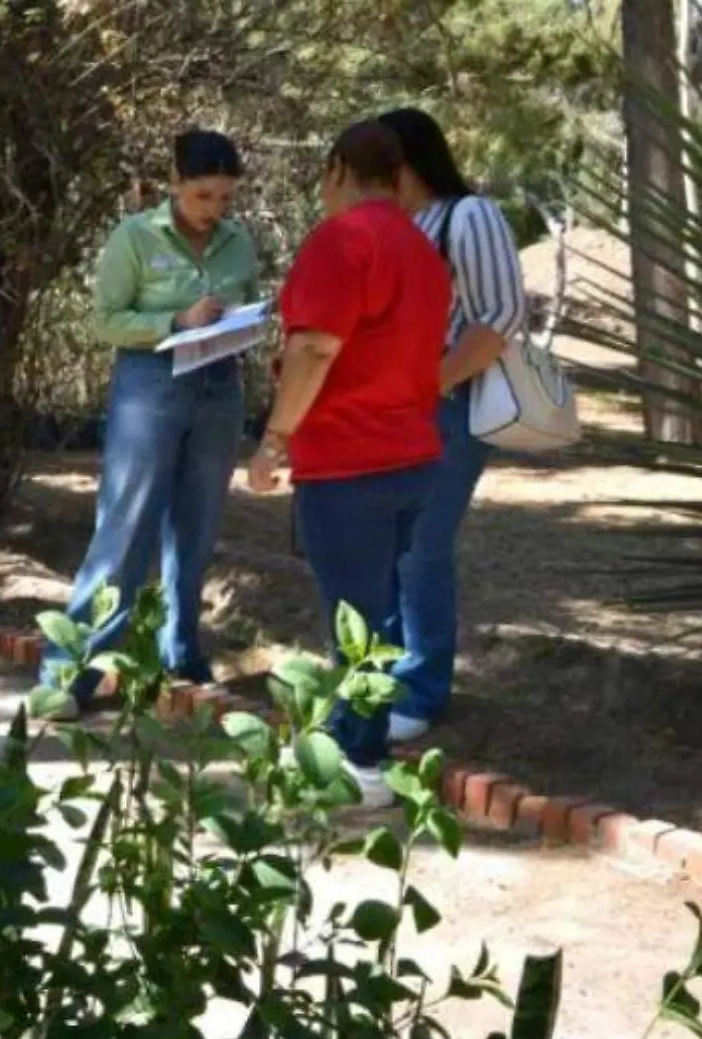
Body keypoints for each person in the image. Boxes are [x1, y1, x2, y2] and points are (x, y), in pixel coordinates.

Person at [245, 121, 453, 808]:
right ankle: (360, 745)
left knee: (355, 621)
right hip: (411, 452)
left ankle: (359, 764)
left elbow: (314, 350)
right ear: (398, 174)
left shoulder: (343, 240)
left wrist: (276, 439)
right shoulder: (422, 250)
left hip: (349, 458)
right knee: (379, 613)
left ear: (337, 169)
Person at [40, 130, 260, 709]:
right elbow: (107, 321)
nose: (214, 210)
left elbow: (247, 302)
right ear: (174, 183)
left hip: (220, 387)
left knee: (197, 528)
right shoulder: (134, 236)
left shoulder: (238, 241)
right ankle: (72, 671)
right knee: (127, 526)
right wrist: (175, 319)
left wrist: (244, 322)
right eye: (202, 196)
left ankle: (181, 652)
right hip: (151, 383)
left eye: (225, 198)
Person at [377, 107, 529, 743]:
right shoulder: (397, 224)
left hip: (448, 407)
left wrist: (428, 382)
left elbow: (498, 317)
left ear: (406, 162)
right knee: (385, 547)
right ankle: (380, 676)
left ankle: (422, 688)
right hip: (393, 410)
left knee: (422, 548)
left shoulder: (471, 216)